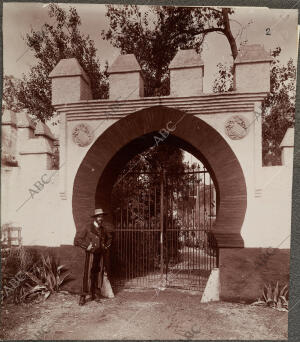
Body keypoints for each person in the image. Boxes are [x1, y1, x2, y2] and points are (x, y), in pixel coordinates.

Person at [74, 208, 114, 306]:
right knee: (87, 275)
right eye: (99, 216)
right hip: (90, 255)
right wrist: (86, 246)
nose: (101, 218)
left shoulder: (103, 229)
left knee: (97, 274)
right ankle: (83, 296)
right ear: (95, 218)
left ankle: (94, 294)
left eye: (102, 217)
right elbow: (77, 240)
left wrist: (105, 246)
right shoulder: (88, 228)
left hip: (100, 255)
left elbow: (110, 238)